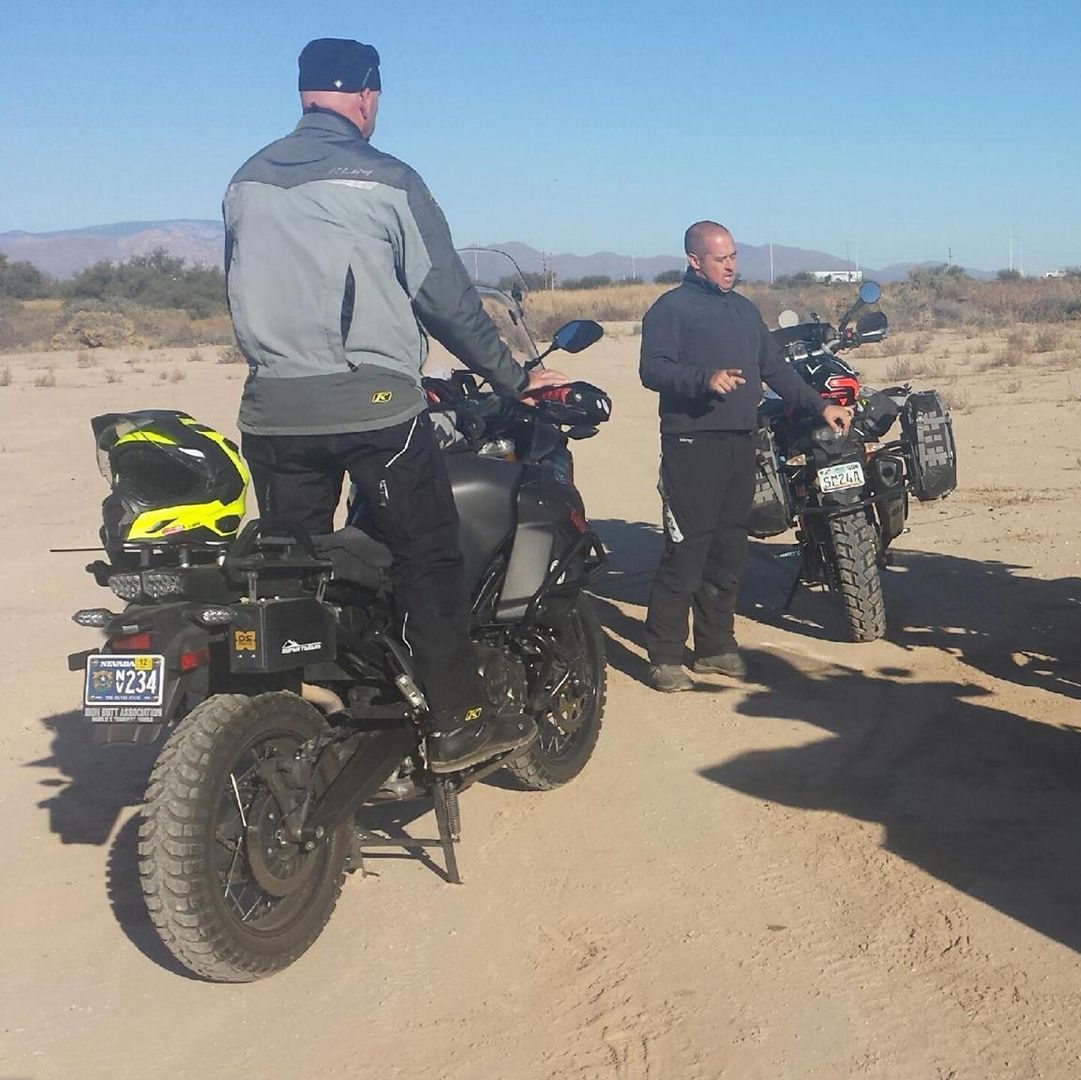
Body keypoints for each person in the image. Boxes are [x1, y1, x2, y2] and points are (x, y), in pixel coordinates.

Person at [224, 38, 571, 772]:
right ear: (366, 96)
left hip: (272, 411)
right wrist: (514, 378)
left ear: (305, 94)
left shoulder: (245, 181)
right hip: (372, 409)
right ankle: (457, 717)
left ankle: (281, 713)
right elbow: (446, 300)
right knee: (427, 553)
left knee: (296, 565)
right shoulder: (386, 179)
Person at [638, 221, 854, 692]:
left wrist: (822, 405)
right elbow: (652, 370)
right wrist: (703, 379)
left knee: (729, 547)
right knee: (688, 547)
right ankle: (665, 655)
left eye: (734, 256)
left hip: (742, 441)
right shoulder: (671, 309)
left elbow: (775, 368)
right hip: (692, 444)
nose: (731, 265)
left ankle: (715, 648)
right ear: (695, 260)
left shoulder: (743, 311)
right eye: (721, 258)